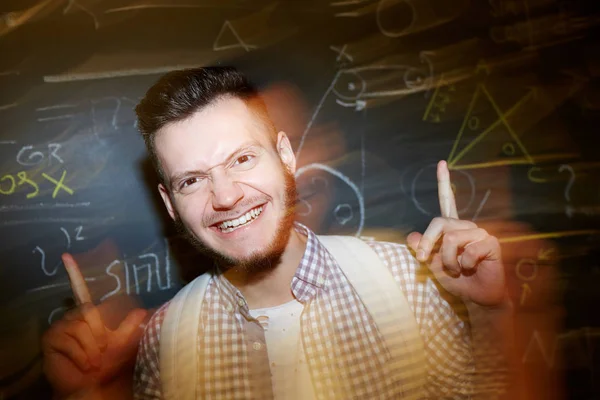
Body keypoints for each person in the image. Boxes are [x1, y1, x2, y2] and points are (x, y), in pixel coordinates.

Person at [42, 66, 515, 399]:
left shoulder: (407, 284)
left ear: (286, 156)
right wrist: (90, 393)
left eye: (242, 159)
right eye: (192, 180)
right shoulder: (164, 338)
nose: (225, 196)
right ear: (170, 204)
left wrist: (493, 313)